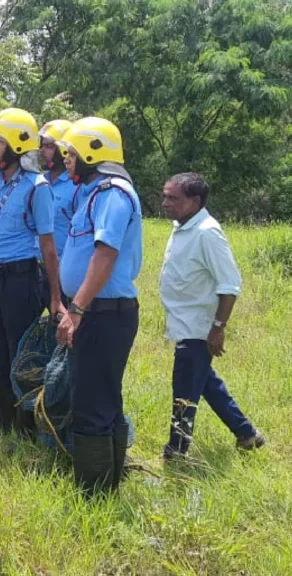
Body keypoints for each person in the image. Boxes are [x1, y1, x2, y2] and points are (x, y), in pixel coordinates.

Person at [0, 108, 62, 437]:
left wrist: (56, 298)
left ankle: (27, 429)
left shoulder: (38, 187)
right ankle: (1, 423)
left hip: (22, 281)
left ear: (18, 145)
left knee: (22, 356)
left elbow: (48, 246)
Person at [55, 117, 142, 497]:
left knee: (92, 402)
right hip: (98, 312)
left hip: (103, 314)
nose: (67, 159)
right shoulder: (94, 192)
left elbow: (105, 255)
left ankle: (94, 495)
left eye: (72, 153)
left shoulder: (112, 193)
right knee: (102, 395)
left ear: (93, 151)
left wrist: (76, 309)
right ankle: (109, 480)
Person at [159, 172, 266, 459]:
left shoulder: (207, 232)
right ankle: (247, 434)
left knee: (184, 393)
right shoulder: (182, 226)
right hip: (183, 324)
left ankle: (176, 451)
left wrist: (218, 327)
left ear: (194, 201)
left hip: (198, 328)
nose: (165, 202)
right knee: (204, 381)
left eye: (173, 198)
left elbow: (229, 284)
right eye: (165, 196)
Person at [38, 119, 76, 309]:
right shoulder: (38, 183)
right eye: (41, 146)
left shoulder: (76, 187)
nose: (42, 151)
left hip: (63, 272)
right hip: (34, 270)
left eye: (49, 146)